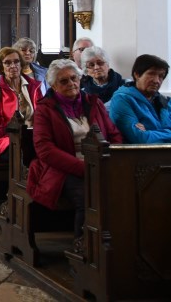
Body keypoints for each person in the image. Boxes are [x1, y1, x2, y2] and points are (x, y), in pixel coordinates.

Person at [28, 59, 122, 252]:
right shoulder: (45, 109)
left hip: (100, 163)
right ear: (53, 85)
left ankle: (119, 244)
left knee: (123, 191)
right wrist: (82, 167)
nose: (71, 84)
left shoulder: (93, 103)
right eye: (64, 81)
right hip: (63, 169)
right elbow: (45, 149)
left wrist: (111, 160)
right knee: (87, 195)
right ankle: (83, 247)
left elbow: (113, 135)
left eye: (74, 78)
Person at [107, 54, 171, 143]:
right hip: (138, 156)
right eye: (151, 74)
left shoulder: (164, 102)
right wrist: (170, 133)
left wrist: (151, 132)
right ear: (137, 75)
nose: (157, 80)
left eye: (161, 76)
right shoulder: (122, 100)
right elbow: (141, 139)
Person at [0, 47, 43, 158]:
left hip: (34, 136)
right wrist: (19, 134)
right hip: (7, 140)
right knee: (26, 149)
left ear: (21, 64)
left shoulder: (34, 87)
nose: (13, 66)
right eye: (7, 63)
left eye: (16, 61)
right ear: (1, 67)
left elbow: (42, 114)